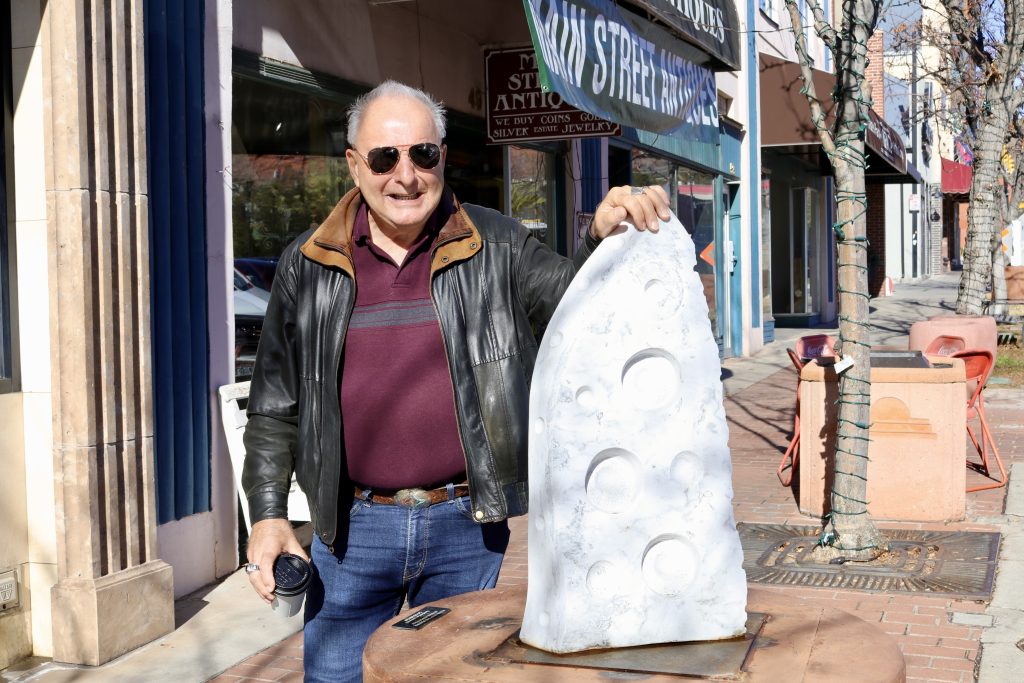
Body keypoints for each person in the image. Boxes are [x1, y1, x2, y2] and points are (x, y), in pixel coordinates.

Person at [241, 79, 670, 682]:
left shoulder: (500, 244)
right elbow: (273, 407)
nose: (406, 176)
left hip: (466, 524)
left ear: (443, 155)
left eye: (423, 154)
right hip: (351, 528)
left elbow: (583, 319)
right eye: (385, 158)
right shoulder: (306, 266)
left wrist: (602, 238)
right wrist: (267, 513)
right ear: (354, 165)